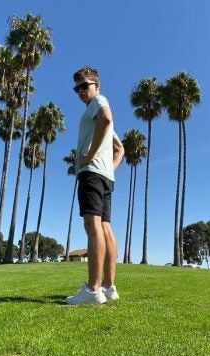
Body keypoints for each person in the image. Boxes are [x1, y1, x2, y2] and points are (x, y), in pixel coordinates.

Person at [66, 66, 124, 305]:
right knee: (105, 227)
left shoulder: (97, 102)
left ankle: (93, 290)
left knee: (93, 227)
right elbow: (120, 149)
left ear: (96, 85)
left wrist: (89, 156)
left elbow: (106, 118)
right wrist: (109, 168)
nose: (80, 91)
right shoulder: (93, 110)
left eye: (84, 85)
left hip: (92, 174)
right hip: (105, 176)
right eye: (77, 88)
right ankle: (109, 287)